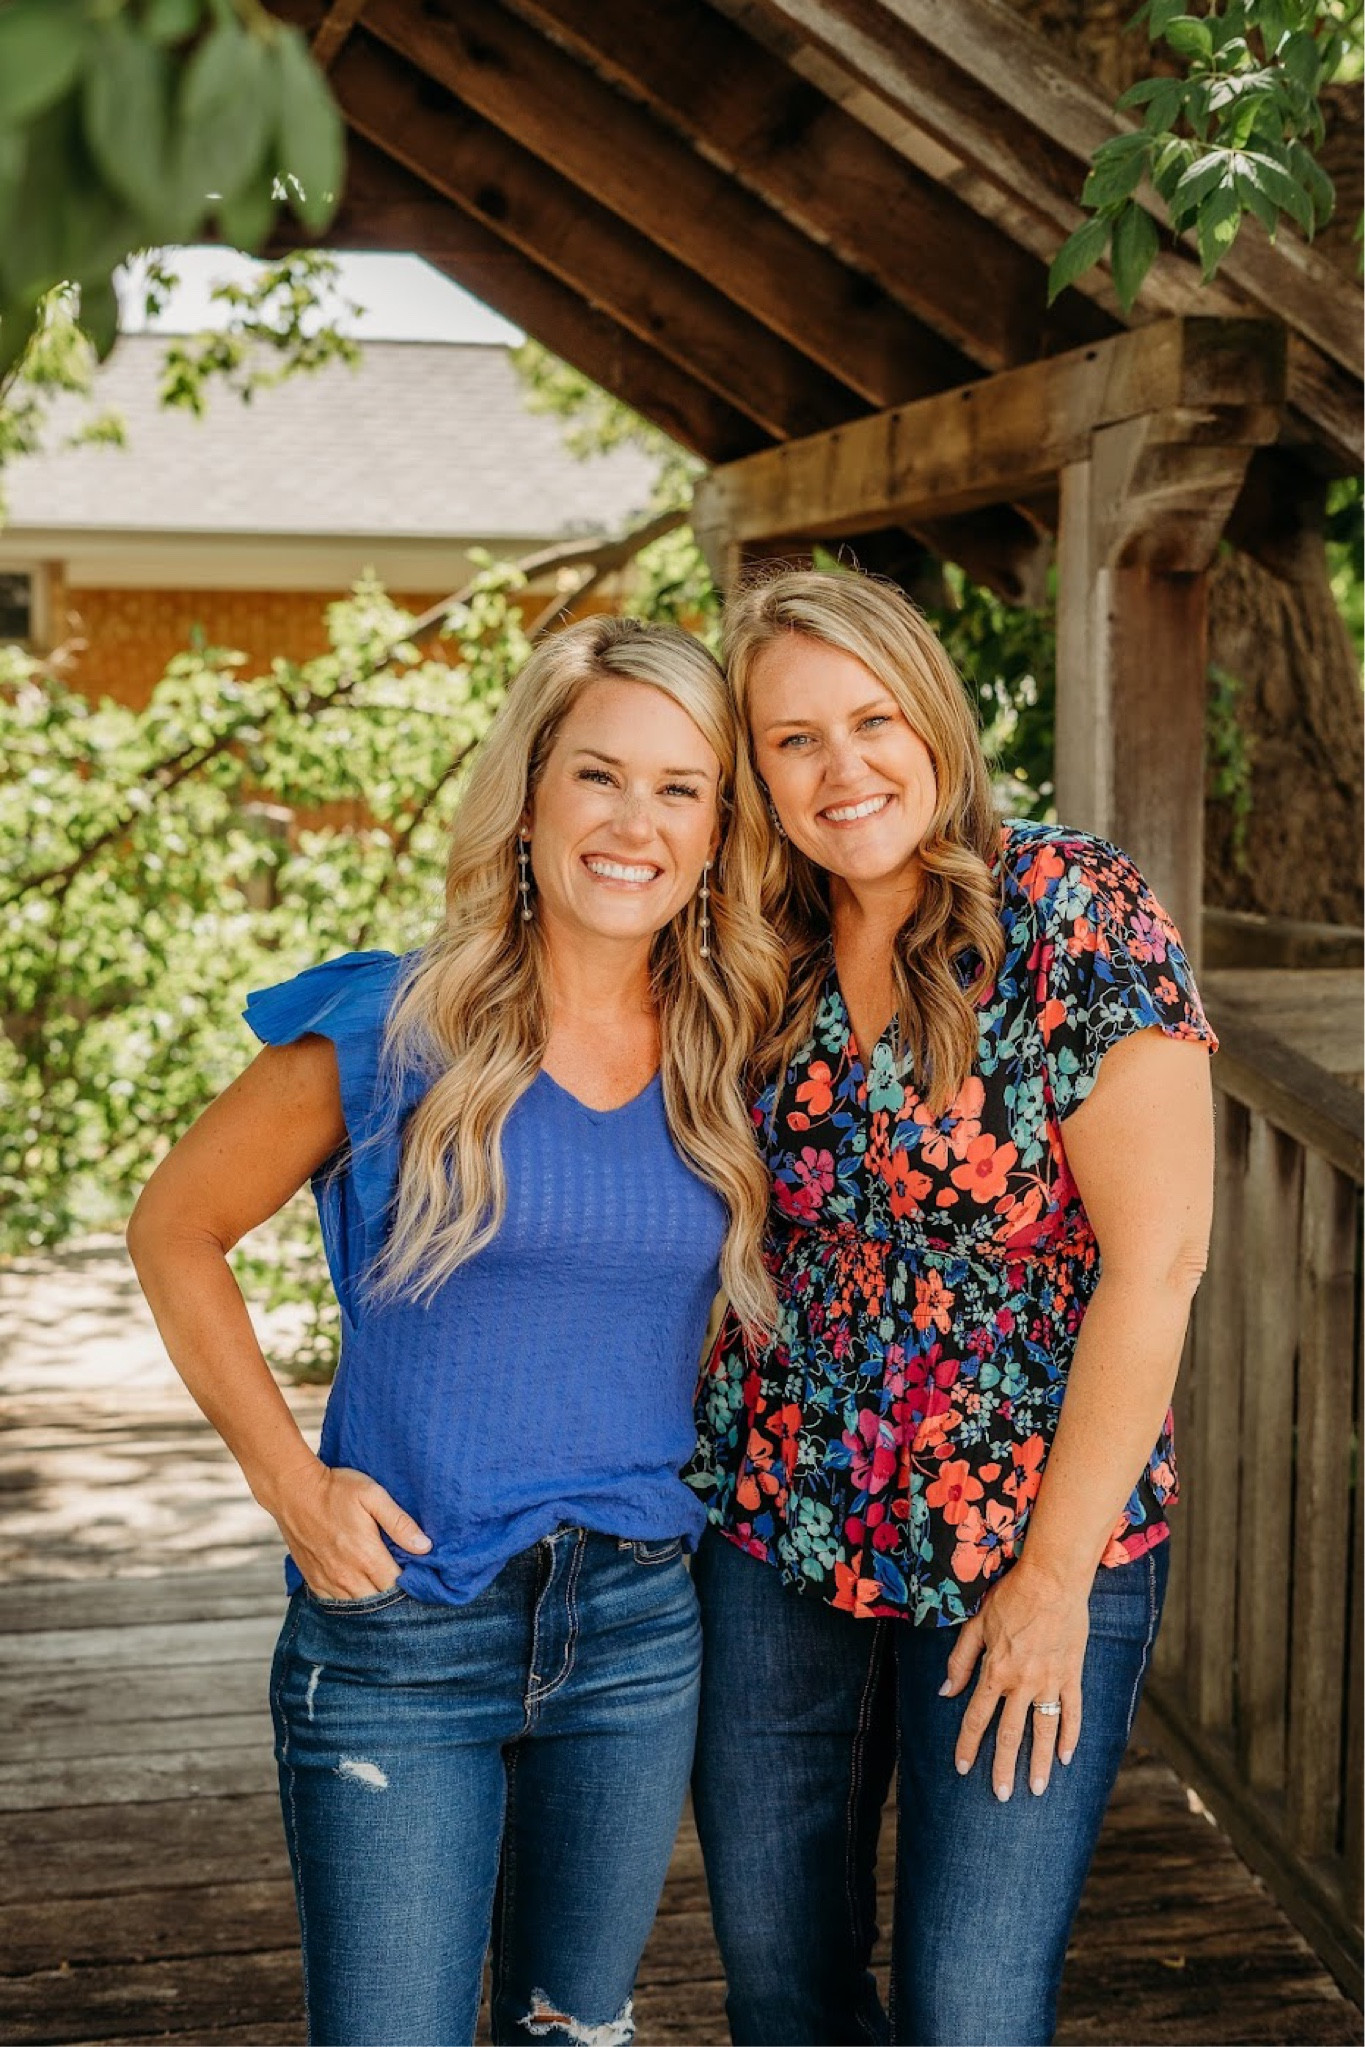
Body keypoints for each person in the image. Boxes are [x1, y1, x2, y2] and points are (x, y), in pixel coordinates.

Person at [126, 615, 776, 2047]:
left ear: (721, 831)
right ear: (531, 793)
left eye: (681, 788)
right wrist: (292, 1487)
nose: (634, 822)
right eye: (599, 775)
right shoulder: (386, 1024)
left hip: (633, 1623)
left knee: (574, 2033)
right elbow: (173, 1229)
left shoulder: (735, 1046)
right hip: (401, 1623)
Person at [686, 568, 1217, 2047]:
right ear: (753, 772)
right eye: (791, 740)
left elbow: (1157, 1256)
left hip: (1025, 1536)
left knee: (968, 2009)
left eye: (870, 721)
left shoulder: (1066, 903)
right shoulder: (754, 948)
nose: (841, 769)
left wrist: (1050, 1581)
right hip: (775, 1516)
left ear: (933, 716)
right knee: (779, 1983)